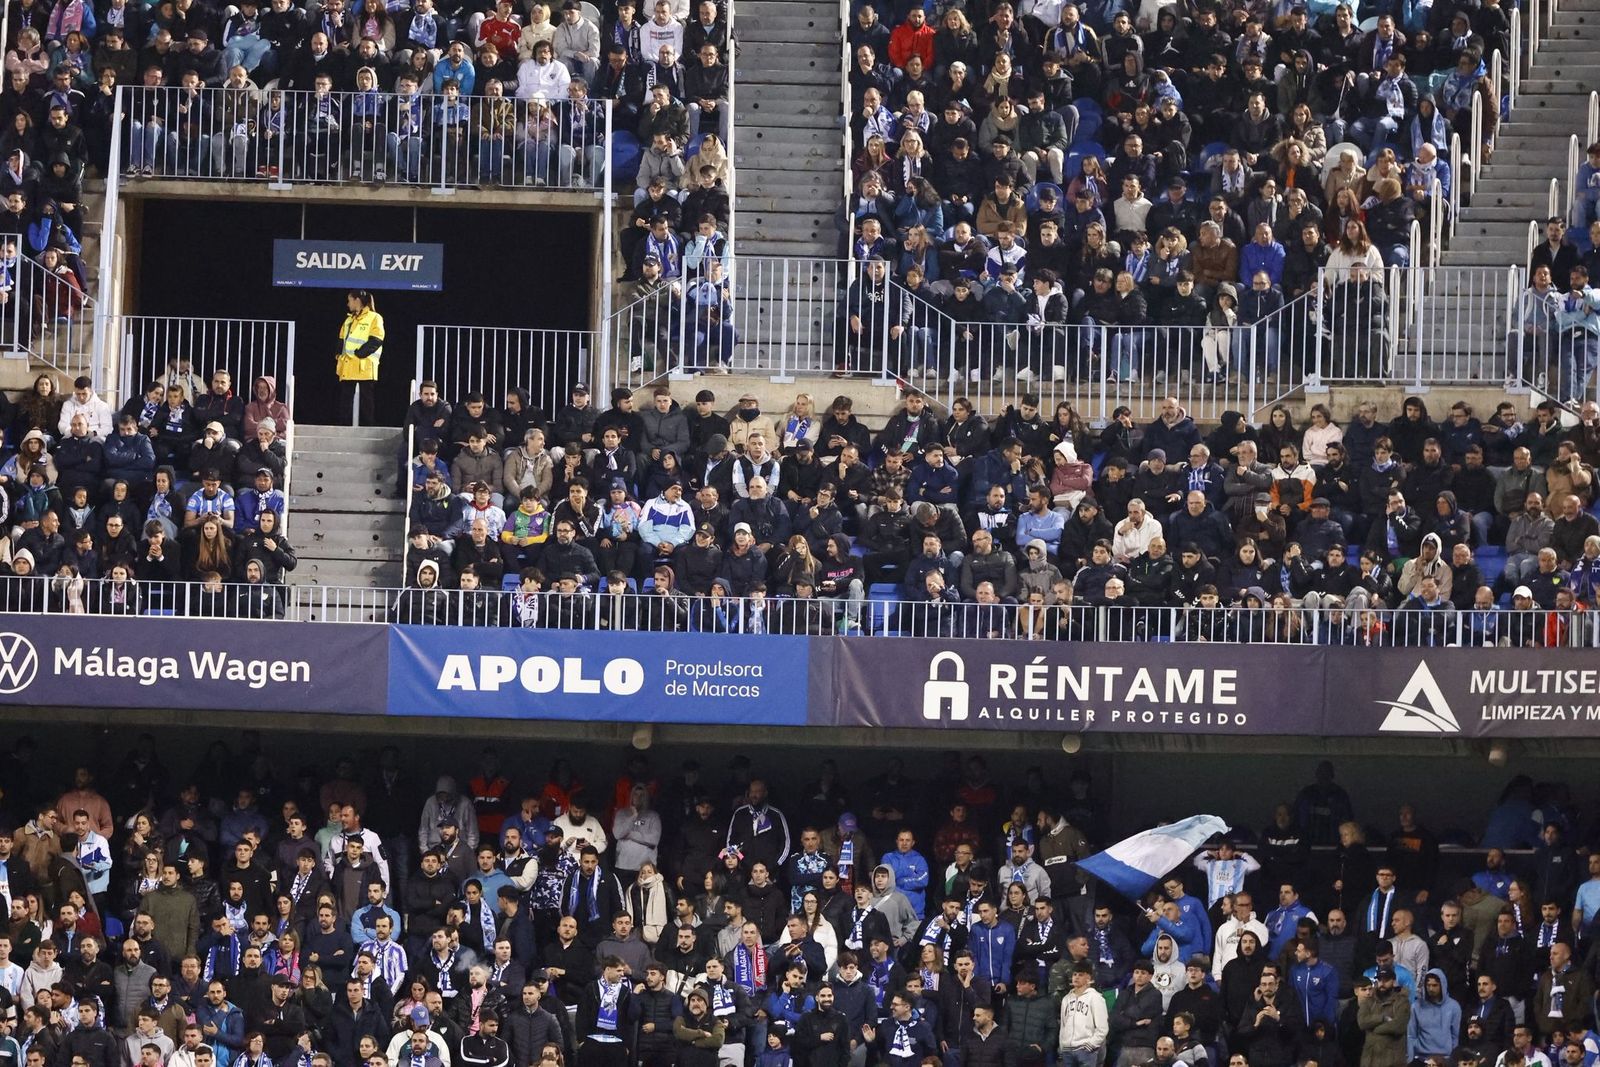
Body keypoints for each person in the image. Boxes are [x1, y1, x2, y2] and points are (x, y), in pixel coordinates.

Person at [335, 289, 384, 426]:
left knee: (366, 401)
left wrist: (359, 354)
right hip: (348, 365)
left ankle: (368, 428)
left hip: (365, 366)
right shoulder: (349, 319)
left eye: (349, 300)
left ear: (357, 300)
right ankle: (343, 428)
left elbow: (377, 339)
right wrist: (338, 354)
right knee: (345, 400)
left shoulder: (374, 317)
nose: (348, 304)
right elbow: (341, 339)